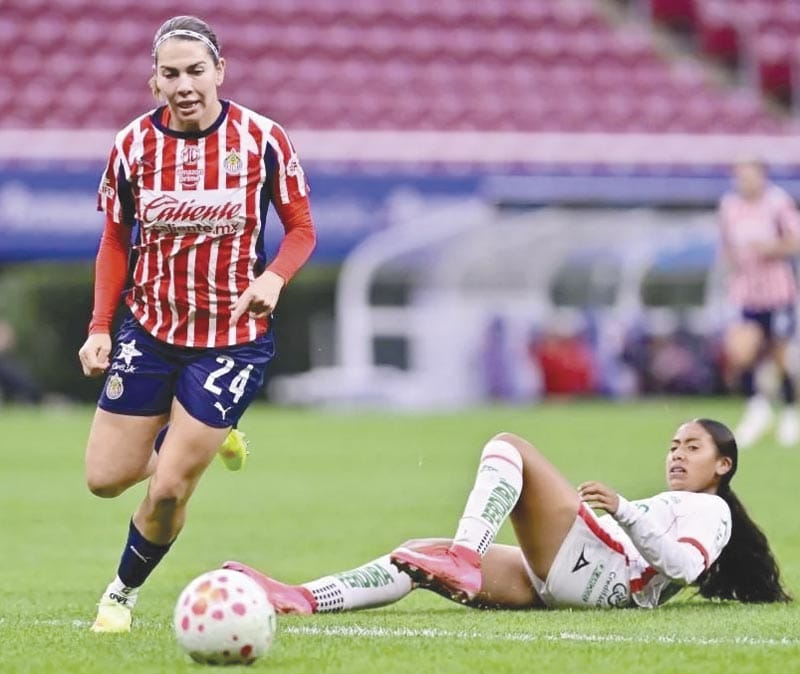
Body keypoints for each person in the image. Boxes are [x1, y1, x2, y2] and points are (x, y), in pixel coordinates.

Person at [77, 15, 316, 633]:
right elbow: (114, 240)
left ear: (220, 72)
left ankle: (120, 596)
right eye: (171, 74)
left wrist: (274, 278)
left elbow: (301, 229)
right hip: (150, 332)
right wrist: (100, 326)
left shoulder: (263, 139)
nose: (184, 85)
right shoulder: (132, 145)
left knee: (168, 489)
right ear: (154, 81)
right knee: (104, 480)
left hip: (230, 342)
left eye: (196, 71)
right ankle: (197, 435)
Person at [224, 419, 790, 614]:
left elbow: (685, 567)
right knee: (414, 555)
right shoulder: (684, 504)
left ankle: (464, 557)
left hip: (600, 571)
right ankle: (301, 598)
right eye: (673, 445)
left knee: (508, 446)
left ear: (723, 465)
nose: (676, 454)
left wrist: (622, 509)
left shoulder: (713, 510)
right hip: (575, 583)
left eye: (692, 447)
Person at [718, 159, 800, 448]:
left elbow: (795, 240)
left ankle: (789, 412)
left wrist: (770, 248)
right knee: (741, 351)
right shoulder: (729, 206)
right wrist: (732, 263)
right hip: (745, 291)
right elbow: (726, 244)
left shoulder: (778, 203)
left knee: (780, 354)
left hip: (777, 291)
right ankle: (757, 408)